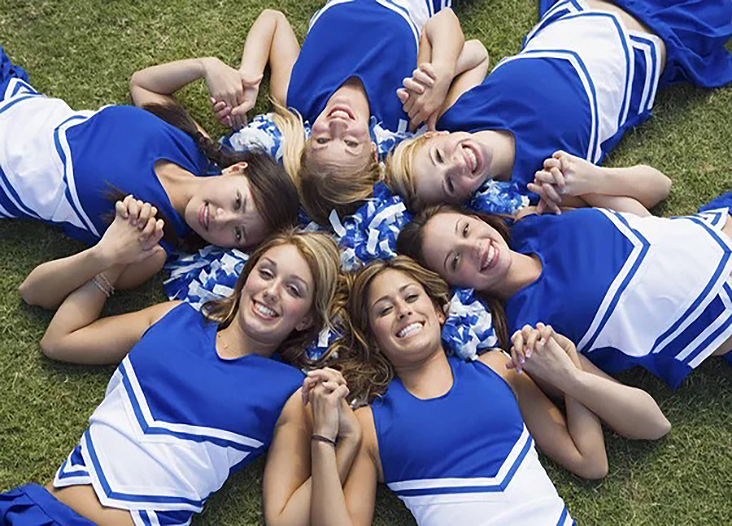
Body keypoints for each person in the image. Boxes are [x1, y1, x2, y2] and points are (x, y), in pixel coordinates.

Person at [0, 202, 349, 526]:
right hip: (37, 511)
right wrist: (113, 255)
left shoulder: (290, 391)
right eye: (266, 272)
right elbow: (60, 340)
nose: (272, 291)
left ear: (305, 319)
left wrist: (345, 439)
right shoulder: (175, 317)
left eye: (294, 290)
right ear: (246, 278)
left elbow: (284, 518)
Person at [304, 257, 669, 526]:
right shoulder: (369, 425)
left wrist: (566, 368)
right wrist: (323, 437)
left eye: (411, 297)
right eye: (384, 310)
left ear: (440, 310)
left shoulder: (497, 368)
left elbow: (591, 461)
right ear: (374, 339)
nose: (402, 311)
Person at [130, 3, 490, 223]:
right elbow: (452, 29)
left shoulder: (295, 98)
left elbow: (273, 20)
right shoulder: (408, 107)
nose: (336, 123)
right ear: (373, 151)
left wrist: (250, 74)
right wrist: (442, 72)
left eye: (320, 138)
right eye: (349, 142)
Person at [0, 46, 300, 300]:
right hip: (14, 95)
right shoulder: (193, 145)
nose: (222, 218)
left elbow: (34, 294)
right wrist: (206, 66)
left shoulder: (151, 242)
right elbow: (143, 85)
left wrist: (106, 253)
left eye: (237, 233)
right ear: (235, 170)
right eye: (237, 202)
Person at [386, 0, 731, 214]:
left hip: (579, 8)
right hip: (659, 31)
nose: (457, 164)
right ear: (462, 201)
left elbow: (476, 52)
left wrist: (441, 74)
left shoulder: (457, 115)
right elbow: (658, 188)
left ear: (435, 137)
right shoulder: (539, 184)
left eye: (439, 157)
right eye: (449, 184)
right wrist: (592, 179)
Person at [397, 203, 732, 388]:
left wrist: (588, 177)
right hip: (721, 309)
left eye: (466, 229)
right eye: (455, 260)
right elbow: (607, 392)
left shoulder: (535, 224)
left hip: (716, 222)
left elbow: (645, 215)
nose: (475, 248)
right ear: (455, 288)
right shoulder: (529, 334)